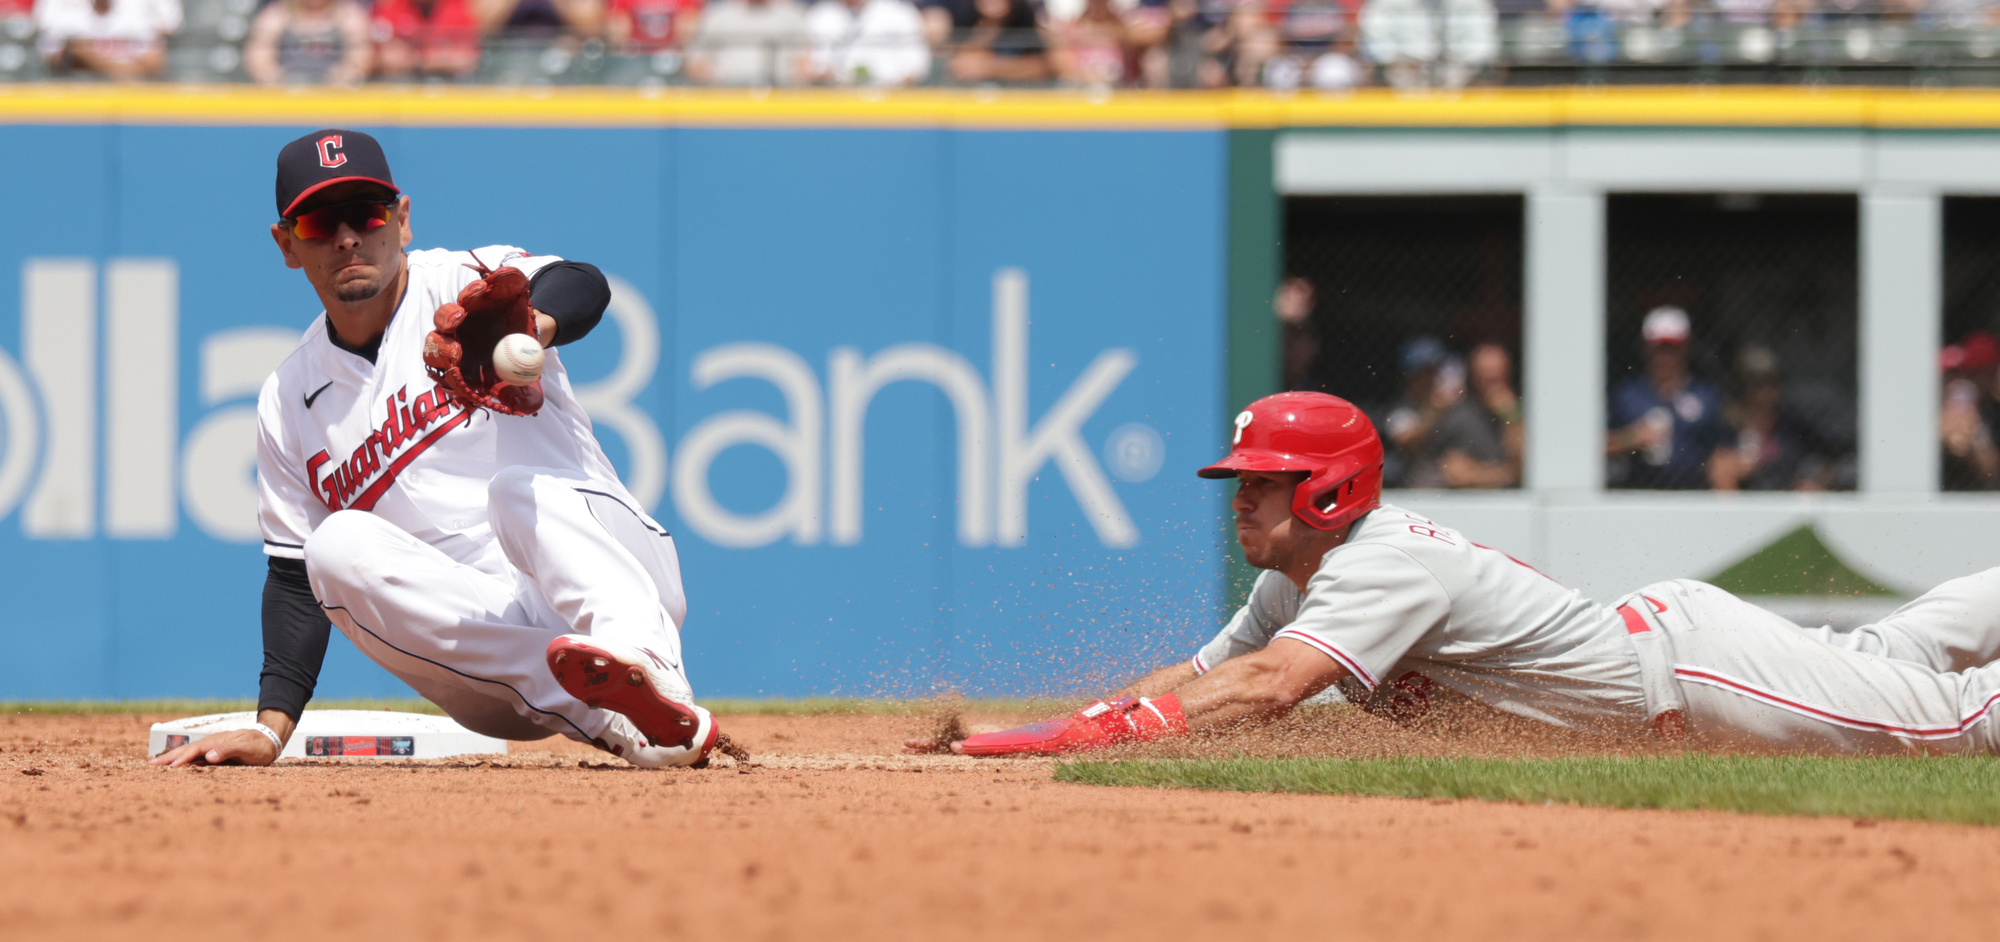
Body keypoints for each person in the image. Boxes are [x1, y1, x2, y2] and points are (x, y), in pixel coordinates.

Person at [911, 391, 2000, 759]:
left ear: (1327, 492)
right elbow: (1196, 674)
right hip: (1676, 660)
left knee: (1954, 726)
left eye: (1262, 478)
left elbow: (1263, 692)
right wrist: (1039, 730)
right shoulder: (1301, 581)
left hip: (1689, 674)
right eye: (1236, 477)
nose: (1237, 496)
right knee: (1883, 659)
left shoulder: (1377, 566)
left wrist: (1091, 737)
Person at [151, 130, 723, 770]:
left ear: (402, 220)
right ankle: (617, 707)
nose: (347, 238)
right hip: (490, 660)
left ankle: (646, 678)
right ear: (287, 244)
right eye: (319, 221)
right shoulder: (287, 397)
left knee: (516, 491)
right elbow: (290, 582)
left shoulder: (461, 281)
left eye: (366, 213)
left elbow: (582, 282)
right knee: (332, 546)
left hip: (609, 569)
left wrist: (531, 326)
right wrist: (270, 730)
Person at [1606, 305, 1732, 490]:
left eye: (1672, 348)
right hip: (1638, 495)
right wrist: (1632, 437)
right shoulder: (1627, 394)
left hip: (1694, 496)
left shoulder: (1705, 395)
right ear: (1645, 348)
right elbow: (1598, 446)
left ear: (1686, 349)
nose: (1665, 357)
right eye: (1659, 348)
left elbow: (1723, 449)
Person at [1432, 342, 1522, 488]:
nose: (1493, 388)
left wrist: (1510, 416)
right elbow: (1459, 476)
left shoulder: (1518, 414)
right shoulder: (1459, 417)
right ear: (1473, 379)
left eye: (1498, 379)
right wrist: (1509, 473)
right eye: (1485, 380)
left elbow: (1528, 466)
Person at [33, 0, 181, 79]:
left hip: (138, 100)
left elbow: (156, 61)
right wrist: (124, 73)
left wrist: (96, 63)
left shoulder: (139, 10)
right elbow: (58, 57)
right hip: (75, 98)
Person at [1380, 334, 1455, 488]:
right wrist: (1434, 411)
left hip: (1456, 490)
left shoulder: (1455, 404)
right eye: (1424, 373)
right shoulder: (1400, 409)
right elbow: (1407, 441)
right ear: (1409, 376)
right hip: (1416, 492)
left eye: (1434, 371)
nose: (1431, 378)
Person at [244, 0, 373, 86]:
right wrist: (280, 81)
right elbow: (259, 61)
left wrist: (337, 80)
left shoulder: (349, 15)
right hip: (286, 93)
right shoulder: (276, 14)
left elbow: (361, 60)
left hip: (336, 95)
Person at [803, 0, 929, 85]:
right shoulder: (820, 14)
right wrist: (823, 75)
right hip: (836, 101)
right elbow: (807, 66)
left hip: (892, 102)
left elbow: (916, 68)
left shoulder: (900, 12)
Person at [685, 0, 811, 84]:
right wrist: (717, 85)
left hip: (780, 96)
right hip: (727, 96)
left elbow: (806, 61)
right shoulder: (718, 16)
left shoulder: (791, 16)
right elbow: (696, 62)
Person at [371, 0, 483, 79]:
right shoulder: (394, 7)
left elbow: (467, 58)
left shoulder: (457, 8)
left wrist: (416, 58)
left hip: (450, 86)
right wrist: (439, 57)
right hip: (404, 86)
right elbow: (387, 57)